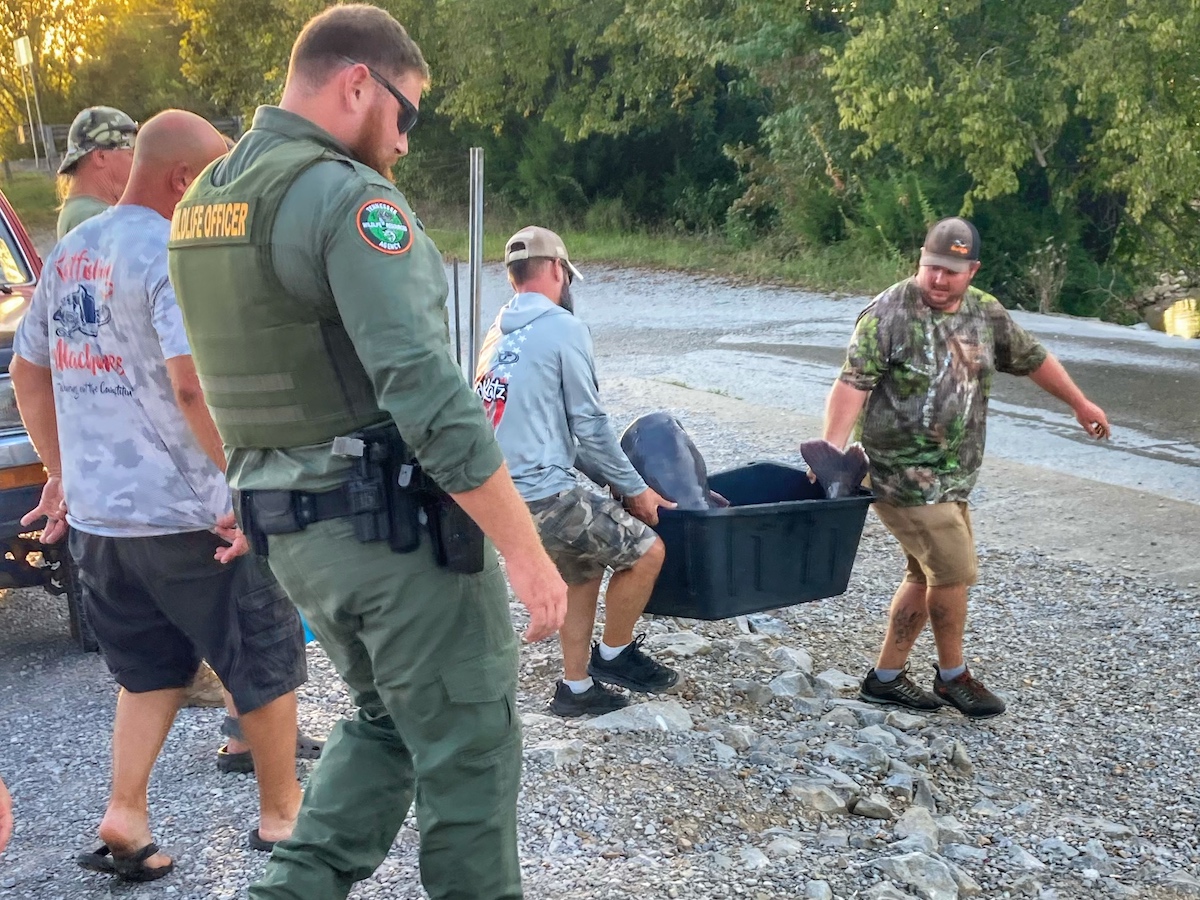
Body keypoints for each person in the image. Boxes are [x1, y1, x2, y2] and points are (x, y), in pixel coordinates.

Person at [166, 7, 567, 899]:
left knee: (386, 721)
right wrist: (526, 551)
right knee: (469, 742)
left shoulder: (206, 203)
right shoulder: (349, 200)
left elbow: (210, 374)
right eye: (407, 114)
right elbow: (430, 397)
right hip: (386, 536)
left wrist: (247, 490)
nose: (405, 142)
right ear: (358, 84)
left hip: (291, 531)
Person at [11, 110, 308, 882]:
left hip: (102, 523)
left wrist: (61, 471)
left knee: (148, 673)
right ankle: (283, 818)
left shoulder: (71, 252)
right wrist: (241, 482)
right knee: (263, 654)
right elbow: (188, 383)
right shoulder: (172, 253)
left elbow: (27, 371)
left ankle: (127, 815)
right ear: (183, 179)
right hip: (188, 516)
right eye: (211, 178)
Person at [821, 217, 1110, 719]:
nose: (938, 279)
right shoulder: (887, 313)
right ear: (920, 259)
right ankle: (954, 678)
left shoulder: (985, 312)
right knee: (953, 571)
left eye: (951, 272)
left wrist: (1080, 404)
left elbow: (1033, 357)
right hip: (899, 472)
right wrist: (830, 452)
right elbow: (852, 384)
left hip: (954, 475)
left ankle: (885, 678)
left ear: (971, 270)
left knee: (925, 573)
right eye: (932, 267)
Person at [475, 226, 679, 717]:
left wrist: (608, 477)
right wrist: (636, 490)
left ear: (512, 276)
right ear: (555, 270)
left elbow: (550, 427)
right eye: (566, 274)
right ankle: (615, 655)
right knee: (649, 552)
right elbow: (589, 423)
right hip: (544, 494)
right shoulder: (563, 328)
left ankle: (576, 688)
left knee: (581, 572)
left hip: (503, 496)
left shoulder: (495, 335)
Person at [55, 106, 138, 239]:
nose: (136, 163)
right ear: (100, 157)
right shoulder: (94, 217)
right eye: (131, 154)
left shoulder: (80, 212)